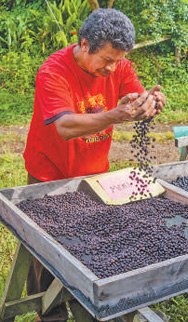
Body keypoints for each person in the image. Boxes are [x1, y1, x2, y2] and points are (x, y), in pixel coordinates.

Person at [22, 8, 166, 321]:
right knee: (45, 252)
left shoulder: (119, 65)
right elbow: (65, 127)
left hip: (94, 174)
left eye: (119, 60)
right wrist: (115, 114)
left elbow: (134, 94)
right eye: (107, 59)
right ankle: (50, 314)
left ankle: (87, 302)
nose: (113, 68)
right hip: (50, 174)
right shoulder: (54, 71)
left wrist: (148, 104)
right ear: (84, 44)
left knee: (90, 243)